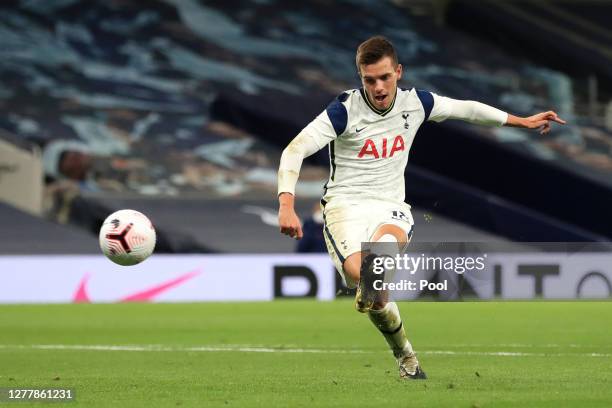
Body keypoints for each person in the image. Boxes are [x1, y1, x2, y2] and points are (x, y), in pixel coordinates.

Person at [277, 35, 565, 379]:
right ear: (361, 79)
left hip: (390, 206)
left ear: (398, 72)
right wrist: (286, 203)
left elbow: (467, 109)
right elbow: (295, 149)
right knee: (369, 284)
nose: (379, 87)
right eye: (370, 80)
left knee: (378, 262)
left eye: (385, 77)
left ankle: (374, 288)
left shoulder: (417, 104)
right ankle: (406, 356)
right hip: (344, 207)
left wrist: (523, 121)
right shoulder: (343, 111)